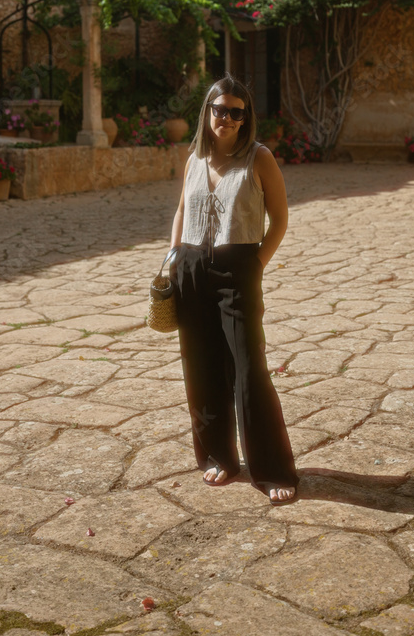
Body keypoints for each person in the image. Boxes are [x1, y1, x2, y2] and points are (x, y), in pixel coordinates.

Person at [169, 73, 298, 505]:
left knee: (248, 370)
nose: (225, 117)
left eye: (235, 112)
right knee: (201, 368)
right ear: (206, 113)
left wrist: (255, 265)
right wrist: (172, 259)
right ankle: (219, 457)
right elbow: (182, 211)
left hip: (238, 267)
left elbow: (279, 220)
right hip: (189, 268)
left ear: (246, 119)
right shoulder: (194, 160)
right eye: (218, 109)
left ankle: (272, 468)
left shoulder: (259, 159)